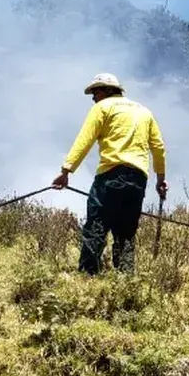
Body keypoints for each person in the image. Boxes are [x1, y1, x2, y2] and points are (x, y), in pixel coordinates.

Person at [52, 73, 168, 275]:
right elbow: (158, 148)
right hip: (138, 178)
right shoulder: (144, 112)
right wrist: (160, 180)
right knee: (126, 231)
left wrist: (66, 171)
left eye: (95, 91)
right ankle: (125, 279)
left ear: (106, 90)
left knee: (96, 225)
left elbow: (84, 139)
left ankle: (87, 277)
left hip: (111, 174)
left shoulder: (102, 108)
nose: (93, 97)